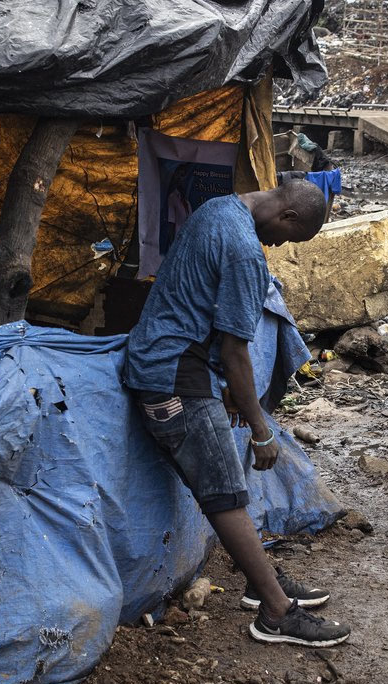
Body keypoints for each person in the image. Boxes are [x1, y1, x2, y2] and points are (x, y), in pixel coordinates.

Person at [124, 179, 350, 647]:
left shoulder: (218, 208)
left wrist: (226, 391)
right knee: (225, 490)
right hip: (173, 375)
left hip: (165, 358)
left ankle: (258, 580)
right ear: (287, 216)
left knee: (226, 481)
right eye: (289, 237)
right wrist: (262, 429)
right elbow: (235, 352)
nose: (279, 244)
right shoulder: (246, 251)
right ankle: (276, 613)